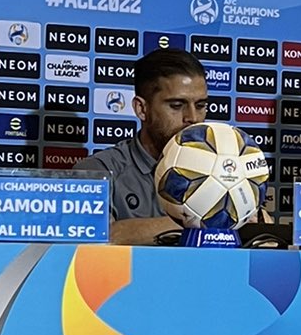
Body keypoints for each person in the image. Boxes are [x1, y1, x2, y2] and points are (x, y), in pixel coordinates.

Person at [74, 47, 212, 245]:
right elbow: (99, 237)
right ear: (142, 109)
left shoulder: (222, 169)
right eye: (176, 105)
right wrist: (209, 221)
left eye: (200, 106)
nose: (192, 118)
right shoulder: (98, 171)